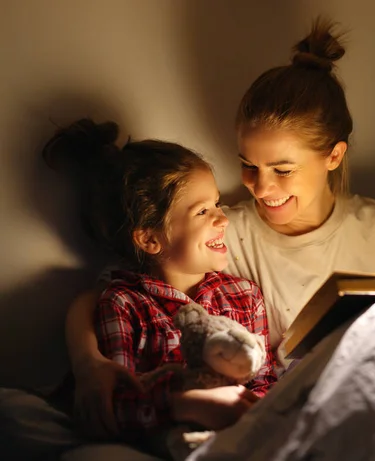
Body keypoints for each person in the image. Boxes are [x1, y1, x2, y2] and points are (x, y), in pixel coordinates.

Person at [62, 17, 375, 439]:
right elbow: (111, 292)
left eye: (282, 169)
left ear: (334, 156)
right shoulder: (225, 233)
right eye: (247, 165)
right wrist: (89, 363)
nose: (261, 186)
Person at [0, 119, 277, 459]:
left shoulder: (243, 295)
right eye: (203, 211)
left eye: (217, 204)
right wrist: (189, 406)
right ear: (150, 239)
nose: (223, 219)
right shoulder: (124, 303)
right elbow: (119, 402)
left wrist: (260, 409)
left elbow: (264, 378)